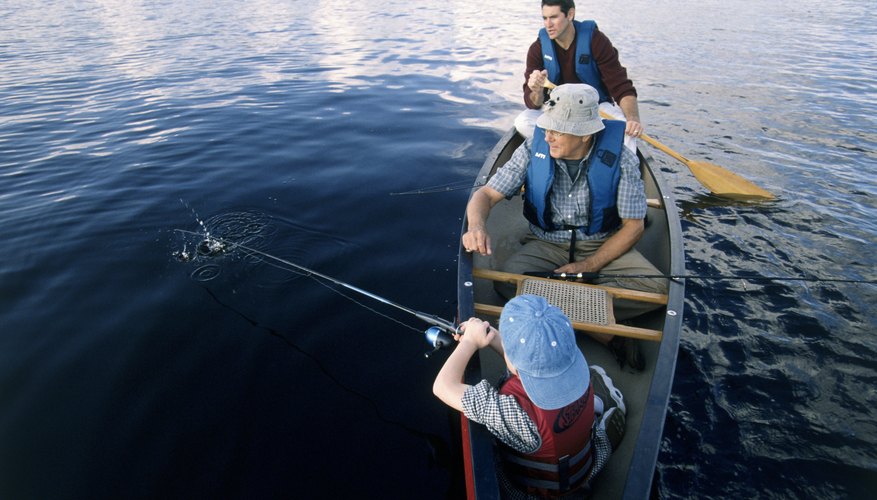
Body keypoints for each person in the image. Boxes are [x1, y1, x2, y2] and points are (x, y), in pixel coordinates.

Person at [462, 83, 666, 369]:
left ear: (585, 135)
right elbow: (484, 195)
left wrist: (590, 266)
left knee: (656, 290)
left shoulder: (621, 158)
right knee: (506, 281)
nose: (548, 136)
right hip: (547, 242)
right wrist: (477, 226)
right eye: (547, 127)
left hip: (602, 243)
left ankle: (556, 309)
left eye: (557, 130)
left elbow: (633, 227)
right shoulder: (535, 147)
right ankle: (603, 332)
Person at [433, 294, 626, 498]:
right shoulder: (571, 361)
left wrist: (469, 342)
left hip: (535, 495)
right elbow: (523, 363)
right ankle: (601, 406)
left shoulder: (516, 414)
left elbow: (443, 386)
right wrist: (489, 336)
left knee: (492, 452)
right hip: (585, 472)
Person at [515, 0, 642, 153]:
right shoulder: (538, 48)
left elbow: (621, 86)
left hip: (594, 109)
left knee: (626, 130)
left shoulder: (596, 41)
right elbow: (533, 104)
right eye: (544, 18)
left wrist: (633, 120)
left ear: (570, 14)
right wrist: (536, 90)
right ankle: (563, 154)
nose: (548, 24)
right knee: (522, 121)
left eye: (554, 17)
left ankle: (616, 169)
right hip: (557, 111)